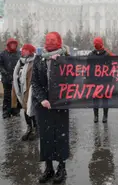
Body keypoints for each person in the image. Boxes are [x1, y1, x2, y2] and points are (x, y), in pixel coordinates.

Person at [31, 32, 70, 184]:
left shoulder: (65, 58)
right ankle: (48, 168)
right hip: (44, 106)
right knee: (46, 136)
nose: (50, 42)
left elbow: (71, 79)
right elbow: (34, 82)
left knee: (60, 135)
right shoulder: (39, 58)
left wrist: (60, 63)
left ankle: (61, 167)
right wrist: (42, 99)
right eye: (47, 40)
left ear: (59, 42)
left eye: (53, 40)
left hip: (60, 104)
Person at [12, 44, 37, 141]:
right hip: (21, 89)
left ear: (30, 51)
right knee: (25, 109)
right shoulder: (20, 62)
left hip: (30, 89)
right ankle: (29, 128)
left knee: (31, 109)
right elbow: (16, 74)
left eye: (26, 50)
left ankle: (35, 129)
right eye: (23, 50)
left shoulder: (34, 61)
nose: (23, 51)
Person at [88, 37, 111, 123]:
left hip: (104, 81)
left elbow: (110, 68)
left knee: (105, 99)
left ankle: (105, 115)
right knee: (95, 99)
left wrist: (109, 79)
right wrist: (88, 78)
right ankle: (96, 116)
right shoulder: (91, 55)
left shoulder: (106, 55)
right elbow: (88, 67)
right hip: (95, 81)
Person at [0, 38, 21, 119]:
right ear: (8, 45)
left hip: (17, 79)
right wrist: (5, 72)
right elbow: (0, 65)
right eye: (11, 44)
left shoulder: (19, 53)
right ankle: (6, 112)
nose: (13, 45)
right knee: (7, 96)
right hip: (6, 79)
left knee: (16, 95)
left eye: (14, 44)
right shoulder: (3, 54)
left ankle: (15, 111)